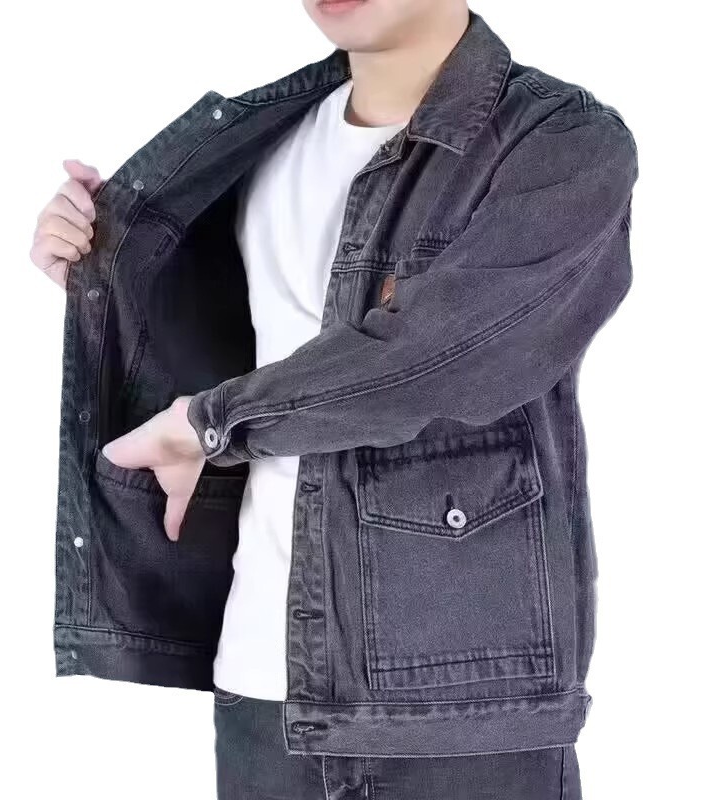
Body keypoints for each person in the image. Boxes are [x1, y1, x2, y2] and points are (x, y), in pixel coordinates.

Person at [31, 2, 637, 797]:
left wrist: (209, 426)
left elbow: (436, 358)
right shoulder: (261, 138)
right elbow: (218, 339)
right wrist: (105, 264)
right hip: (259, 691)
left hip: (454, 708)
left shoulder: (561, 142)